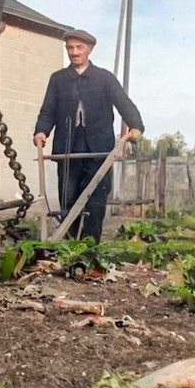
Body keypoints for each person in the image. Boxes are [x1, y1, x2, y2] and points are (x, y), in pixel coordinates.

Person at [33, 29, 144, 243]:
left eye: (79, 48)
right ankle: (70, 244)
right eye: (70, 48)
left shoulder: (104, 78)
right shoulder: (58, 80)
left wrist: (136, 126)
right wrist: (41, 131)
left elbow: (124, 104)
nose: (74, 52)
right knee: (69, 198)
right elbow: (47, 111)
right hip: (68, 150)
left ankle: (90, 247)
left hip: (98, 151)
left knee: (95, 201)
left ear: (89, 50)